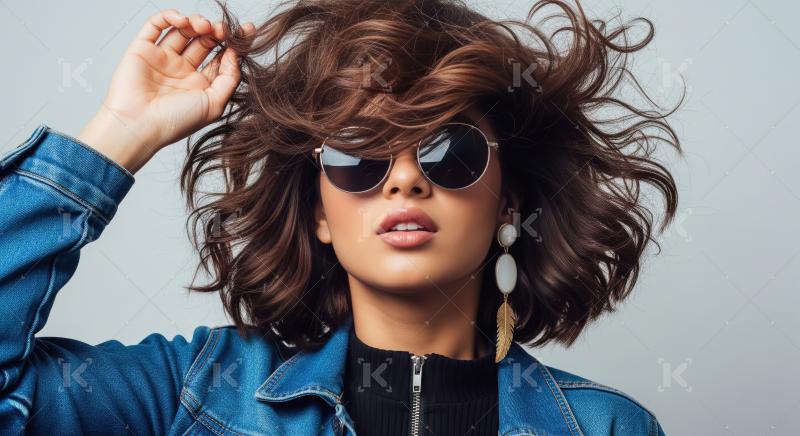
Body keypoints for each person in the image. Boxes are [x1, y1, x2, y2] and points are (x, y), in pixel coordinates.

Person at [0, 0, 681, 434]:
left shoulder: (604, 427)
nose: (406, 178)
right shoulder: (197, 390)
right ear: (317, 210)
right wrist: (117, 134)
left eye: (451, 151)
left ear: (509, 199)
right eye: (358, 155)